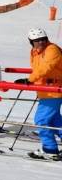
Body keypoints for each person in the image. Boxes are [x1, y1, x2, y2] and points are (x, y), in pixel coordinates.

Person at [21, 28, 62, 160]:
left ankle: (50, 149)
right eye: (37, 41)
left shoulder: (52, 49)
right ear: (31, 42)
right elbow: (37, 69)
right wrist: (31, 79)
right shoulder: (34, 52)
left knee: (42, 120)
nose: (40, 42)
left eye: (43, 39)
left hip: (54, 90)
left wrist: (29, 79)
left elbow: (46, 67)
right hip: (44, 90)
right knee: (54, 121)